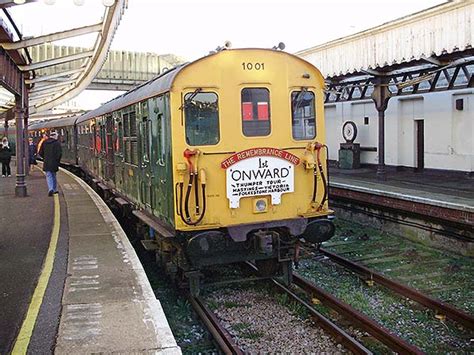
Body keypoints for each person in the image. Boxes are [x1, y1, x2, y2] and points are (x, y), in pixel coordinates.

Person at [38, 130, 62, 196]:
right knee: (53, 175)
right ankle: (54, 189)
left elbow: (40, 152)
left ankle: (50, 188)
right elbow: (59, 153)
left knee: (48, 175)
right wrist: (57, 161)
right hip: (54, 162)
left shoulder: (44, 142)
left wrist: (45, 158)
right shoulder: (57, 143)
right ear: (55, 136)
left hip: (47, 162)